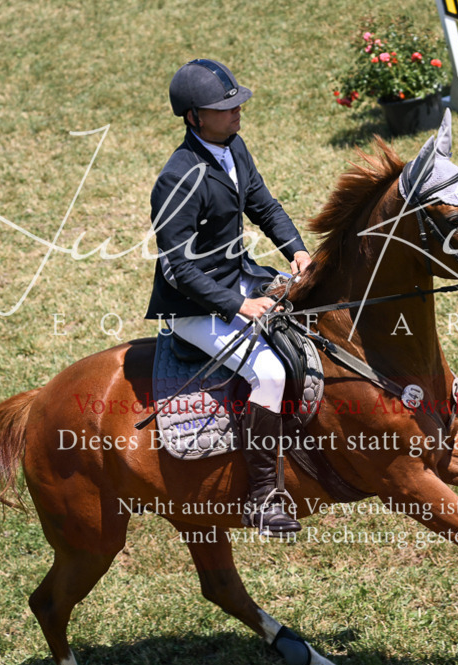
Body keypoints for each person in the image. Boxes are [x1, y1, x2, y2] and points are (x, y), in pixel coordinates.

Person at [146, 58, 311, 537]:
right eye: (225, 108)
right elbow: (178, 268)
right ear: (194, 117)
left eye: (237, 103)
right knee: (268, 370)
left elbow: (263, 204)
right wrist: (239, 306)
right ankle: (263, 498)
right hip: (194, 305)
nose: (237, 112)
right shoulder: (177, 177)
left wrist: (297, 252)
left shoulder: (232, 146)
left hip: (239, 275)